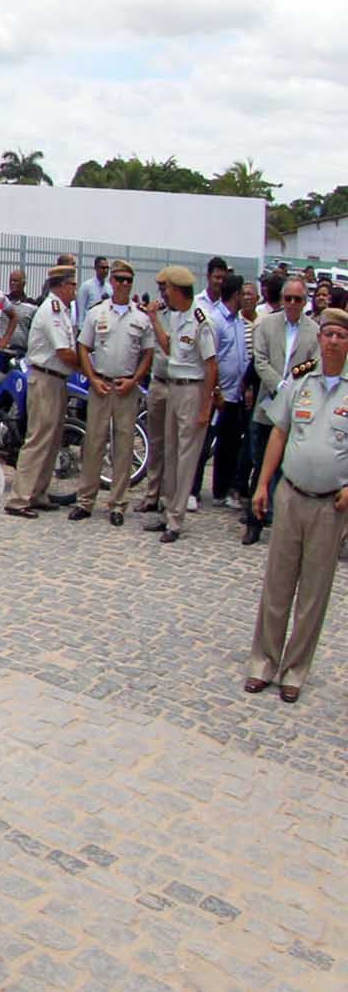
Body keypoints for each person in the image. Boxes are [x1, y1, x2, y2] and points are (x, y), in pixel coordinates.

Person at [244, 308, 348, 702]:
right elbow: (279, 433)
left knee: (314, 592)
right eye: (328, 334)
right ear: (319, 339)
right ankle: (263, 663)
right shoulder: (301, 380)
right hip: (291, 495)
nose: (333, 341)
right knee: (278, 584)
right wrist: (263, 484)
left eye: (341, 335)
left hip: (330, 506)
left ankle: (294, 670)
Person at [141, 265, 220, 544]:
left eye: (167, 289)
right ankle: (166, 510)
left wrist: (205, 407)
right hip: (174, 387)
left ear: (177, 290)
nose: (165, 294)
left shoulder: (201, 320)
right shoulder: (176, 317)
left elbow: (211, 366)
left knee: (186, 457)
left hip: (192, 390)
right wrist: (154, 319)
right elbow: (169, 347)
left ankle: (176, 520)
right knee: (172, 453)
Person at [71, 262, 154, 525]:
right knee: (93, 444)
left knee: (124, 447)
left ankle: (117, 504)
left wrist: (136, 380)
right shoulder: (97, 314)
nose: (123, 284)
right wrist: (92, 378)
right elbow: (83, 347)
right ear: (112, 281)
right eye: (119, 279)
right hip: (101, 386)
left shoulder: (140, 318)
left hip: (126, 388)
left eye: (128, 280)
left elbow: (148, 353)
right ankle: (85, 501)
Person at [6, 265, 80, 516]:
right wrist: (89, 368)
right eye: (72, 285)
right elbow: (64, 351)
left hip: (57, 379)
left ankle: (37, 493)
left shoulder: (63, 310)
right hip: (45, 378)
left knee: (52, 439)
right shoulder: (53, 310)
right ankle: (19, 499)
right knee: (38, 439)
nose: (75, 290)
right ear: (60, 286)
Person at [244, 275, 312, 547]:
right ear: (282, 299)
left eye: (298, 299)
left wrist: (292, 384)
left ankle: (284, 525)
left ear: (305, 302)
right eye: (288, 298)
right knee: (260, 466)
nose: (293, 303)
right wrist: (278, 384)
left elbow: (313, 363)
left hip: (297, 408)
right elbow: (259, 360)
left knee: (289, 471)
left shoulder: (314, 331)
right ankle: (253, 522)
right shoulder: (267, 324)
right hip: (267, 404)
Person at [199, 274, 250, 510]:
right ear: (235, 294)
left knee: (229, 447)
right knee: (204, 443)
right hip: (218, 395)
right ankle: (193, 490)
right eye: (243, 293)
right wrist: (216, 389)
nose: (246, 298)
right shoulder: (215, 320)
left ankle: (222, 490)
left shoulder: (239, 321)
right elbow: (212, 357)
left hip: (235, 395)